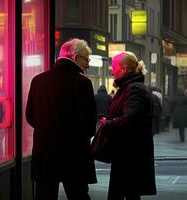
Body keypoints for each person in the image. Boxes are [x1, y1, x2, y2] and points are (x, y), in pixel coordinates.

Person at [26, 38, 97, 200]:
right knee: (78, 194)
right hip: (74, 153)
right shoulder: (83, 83)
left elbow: (30, 116)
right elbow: (89, 122)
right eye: (86, 59)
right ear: (75, 57)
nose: (88, 64)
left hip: (45, 151)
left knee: (45, 195)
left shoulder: (38, 81)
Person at [100, 52, 156, 200]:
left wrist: (106, 124)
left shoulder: (134, 89)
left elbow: (129, 119)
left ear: (124, 69)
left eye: (114, 67)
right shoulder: (127, 87)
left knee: (127, 194)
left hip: (130, 156)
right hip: (125, 154)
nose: (111, 71)